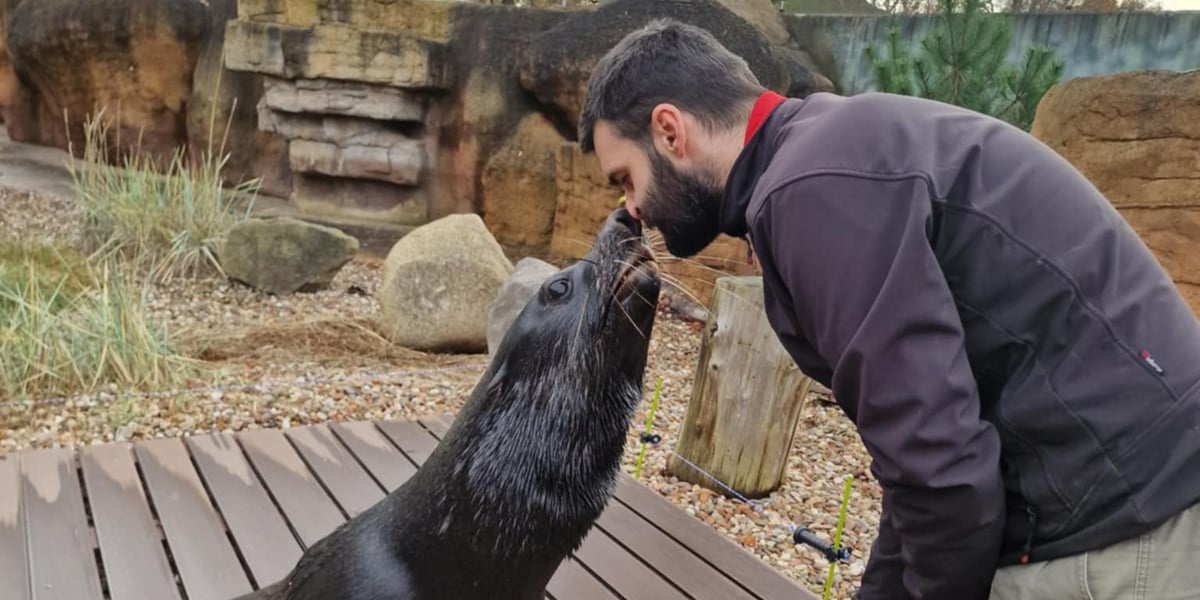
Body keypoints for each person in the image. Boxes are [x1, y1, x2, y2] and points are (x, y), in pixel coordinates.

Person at [577, 18, 1200, 600]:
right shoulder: (825, 153)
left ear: (669, 130)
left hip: (1122, 517)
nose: (630, 209)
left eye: (624, 179)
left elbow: (945, 476)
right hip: (1131, 481)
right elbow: (919, 464)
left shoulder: (810, 192)